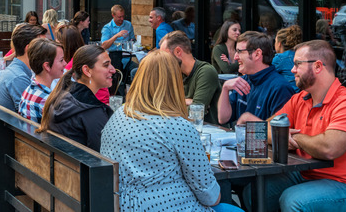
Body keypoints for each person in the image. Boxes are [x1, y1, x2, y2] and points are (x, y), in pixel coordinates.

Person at [240, 40, 346, 212]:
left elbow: (329, 148)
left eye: (297, 64)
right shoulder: (300, 98)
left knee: (293, 200)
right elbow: (264, 129)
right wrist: (281, 134)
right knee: (254, 193)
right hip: (306, 174)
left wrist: (294, 137)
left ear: (318, 66)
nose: (292, 70)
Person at [101, 50, 242, 212]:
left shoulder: (119, 114)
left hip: (122, 204)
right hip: (167, 206)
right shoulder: (178, 126)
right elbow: (210, 195)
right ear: (174, 82)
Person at [36, 45, 115, 152]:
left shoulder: (61, 96)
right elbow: (104, 155)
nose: (113, 70)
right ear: (87, 70)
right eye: (106, 65)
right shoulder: (93, 112)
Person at [217, 31, 295, 125]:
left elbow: (279, 130)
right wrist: (225, 88)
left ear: (257, 54)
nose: (235, 57)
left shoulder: (280, 88)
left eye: (239, 51)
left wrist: (247, 121)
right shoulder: (243, 80)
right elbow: (223, 119)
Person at [160, 30, 221, 124]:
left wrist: (175, 103)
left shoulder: (206, 71)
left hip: (211, 129)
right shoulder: (175, 73)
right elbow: (161, 105)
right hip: (183, 127)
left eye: (165, 56)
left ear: (178, 51)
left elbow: (195, 114)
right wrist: (185, 101)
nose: (162, 61)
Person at [0, 23, 49, 112]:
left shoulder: (17, 70)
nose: (47, 49)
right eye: (42, 45)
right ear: (29, 48)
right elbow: (30, 113)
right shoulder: (19, 77)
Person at [59, 24, 111, 104]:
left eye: (58, 42)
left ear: (65, 44)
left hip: (94, 104)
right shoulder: (85, 55)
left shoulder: (72, 65)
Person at [18, 38, 66, 123]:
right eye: (61, 60)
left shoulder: (28, 90)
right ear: (47, 66)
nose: (65, 63)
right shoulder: (47, 101)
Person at [272, 25, 303, 92]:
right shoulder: (300, 54)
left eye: (275, 41)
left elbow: (267, 76)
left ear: (279, 44)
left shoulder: (279, 58)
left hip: (289, 94)